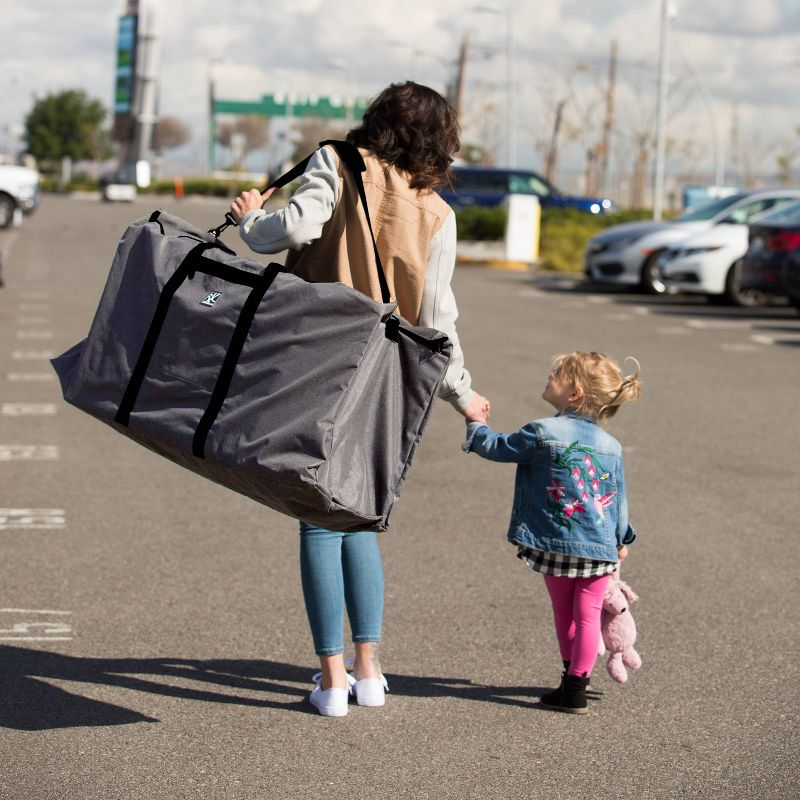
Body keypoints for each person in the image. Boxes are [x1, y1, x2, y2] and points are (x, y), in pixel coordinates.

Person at [228, 82, 490, 717]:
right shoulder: (438, 211)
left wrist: (248, 221)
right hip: (385, 375)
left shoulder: (338, 162)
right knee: (357, 511)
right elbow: (436, 318)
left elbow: (292, 227)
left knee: (317, 517)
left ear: (378, 121)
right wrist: (462, 392)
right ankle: (370, 672)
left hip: (312, 361)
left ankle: (332, 679)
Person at [463, 351, 640, 714]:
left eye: (557, 374)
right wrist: (622, 538)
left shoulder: (542, 431)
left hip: (554, 541)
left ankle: (568, 678)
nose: (549, 377)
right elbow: (618, 499)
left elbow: (497, 448)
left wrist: (475, 424)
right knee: (588, 614)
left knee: (564, 612)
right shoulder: (612, 446)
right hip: (598, 547)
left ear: (574, 393)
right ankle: (576, 684)